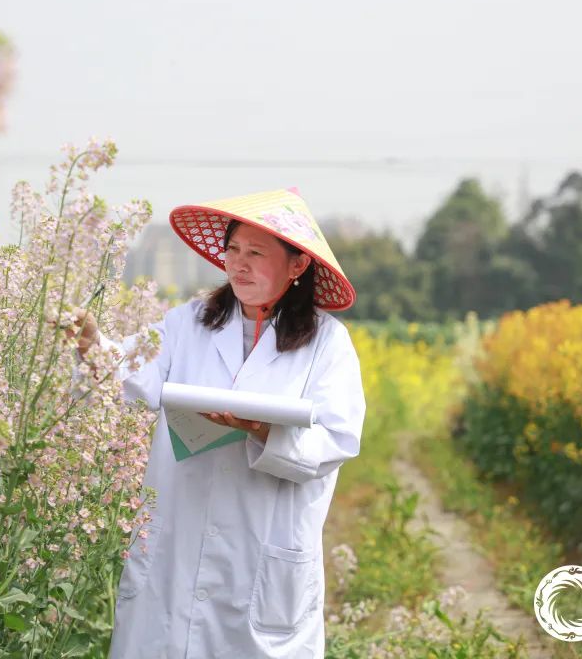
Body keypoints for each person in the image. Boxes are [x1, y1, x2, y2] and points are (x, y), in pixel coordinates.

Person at [70, 187, 366, 658]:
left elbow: (337, 439)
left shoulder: (327, 345)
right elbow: (131, 370)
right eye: (232, 250)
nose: (238, 264)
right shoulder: (189, 322)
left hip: (262, 551)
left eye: (255, 253)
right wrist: (91, 346)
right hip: (176, 543)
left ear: (297, 265)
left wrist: (262, 428)